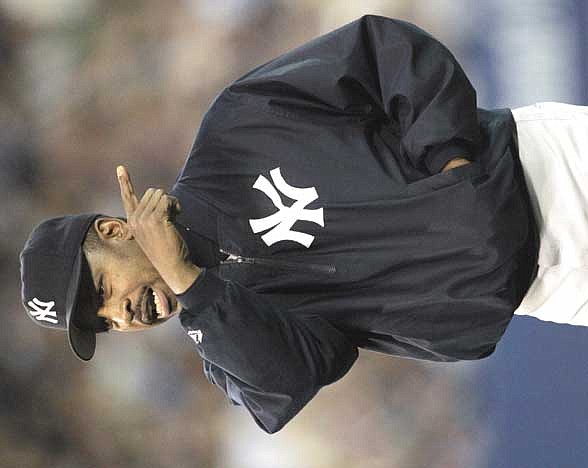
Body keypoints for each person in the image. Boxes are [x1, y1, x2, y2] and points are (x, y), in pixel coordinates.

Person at [20, 15, 545, 434]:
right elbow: (296, 376)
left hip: (538, 174)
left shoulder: (234, 131)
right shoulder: (227, 350)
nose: (120, 315)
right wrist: (189, 283)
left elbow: (380, 51)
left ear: (114, 231)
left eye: (102, 290)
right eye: (104, 323)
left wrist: (454, 166)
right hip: (542, 293)